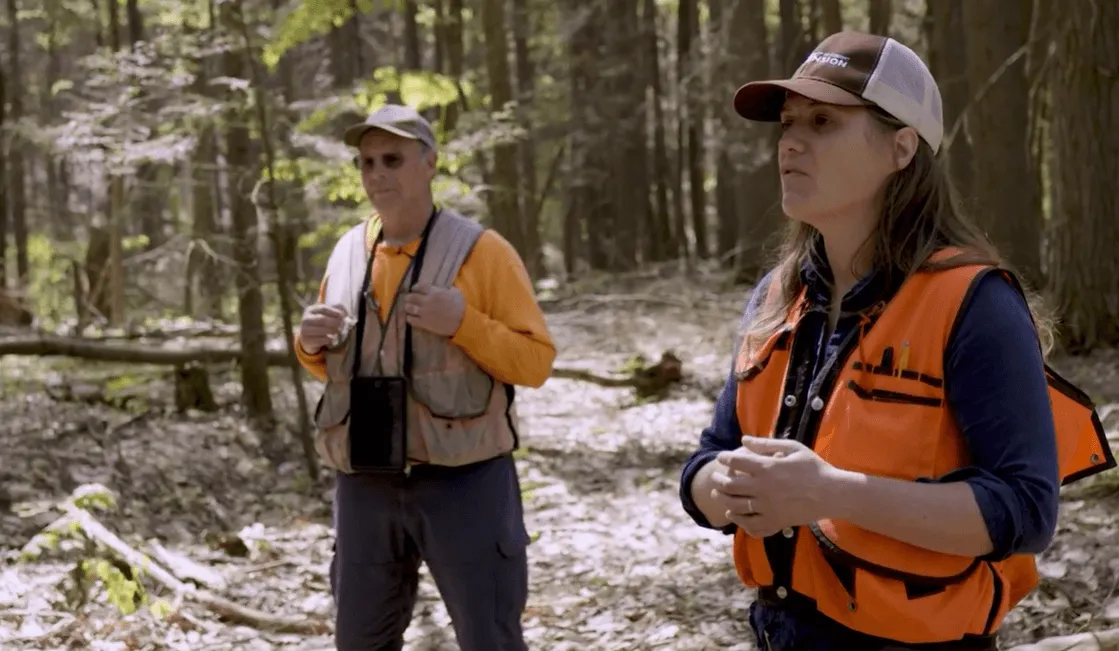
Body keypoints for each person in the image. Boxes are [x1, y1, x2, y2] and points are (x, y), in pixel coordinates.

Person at [678, 31, 1114, 651]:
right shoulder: (776, 297)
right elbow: (706, 460)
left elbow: (1025, 510)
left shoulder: (974, 303)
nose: (791, 142)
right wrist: (727, 490)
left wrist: (828, 493)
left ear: (902, 147)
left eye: (823, 121)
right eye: (787, 124)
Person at [295, 103, 556, 651]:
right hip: (365, 481)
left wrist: (464, 323)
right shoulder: (346, 253)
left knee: (490, 638)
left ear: (430, 163)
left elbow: (535, 364)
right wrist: (310, 343)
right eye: (366, 162)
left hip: (464, 480)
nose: (377, 174)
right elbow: (332, 364)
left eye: (392, 158)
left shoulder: (483, 253)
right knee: (360, 641)